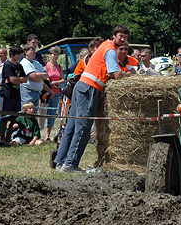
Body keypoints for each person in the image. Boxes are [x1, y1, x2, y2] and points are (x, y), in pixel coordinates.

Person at [54, 34, 131, 173]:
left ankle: (60, 162)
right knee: (83, 127)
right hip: (89, 88)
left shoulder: (104, 47)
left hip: (80, 87)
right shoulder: (110, 51)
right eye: (121, 47)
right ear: (114, 37)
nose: (123, 50)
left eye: (126, 48)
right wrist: (128, 74)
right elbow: (116, 75)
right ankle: (70, 164)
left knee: (71, 126)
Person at [0, 45, 28, 146]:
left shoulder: (19, 66)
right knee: (4, 118)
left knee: (15, 118)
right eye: (17, 54)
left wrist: (17, 80)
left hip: (16, 95)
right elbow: (12, 80)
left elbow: (25, 79)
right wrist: (18, 80)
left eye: (20, 54)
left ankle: (8, 137)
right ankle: (2, 138)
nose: (19, 57)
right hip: (7, 95)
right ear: (12, 54)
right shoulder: (8, 65)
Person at [19, 43, 52, 114]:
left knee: (34, 114)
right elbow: (33, 77)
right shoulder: (24, 63)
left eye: (35, 50)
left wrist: (37, 75)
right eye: (32, 50)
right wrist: (40, 76)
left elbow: (46, 75)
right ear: (26, 52)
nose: (34, 52)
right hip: (28, 92)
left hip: (37, 93)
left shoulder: (36, 63)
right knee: (26, 113)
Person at [44, 46, 66, 141]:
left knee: (52, 113)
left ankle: (48, 135)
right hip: (47, 92)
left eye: (57, 55)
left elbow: (63, 79)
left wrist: (56, 83)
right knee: (44, 112)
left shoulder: (59, 67)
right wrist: (52, 84)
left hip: (57, 92)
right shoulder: (47, 66)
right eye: (54, 54)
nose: (55, 56)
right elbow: (45, 79)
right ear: (50, 55)